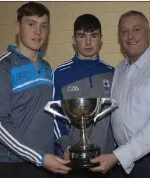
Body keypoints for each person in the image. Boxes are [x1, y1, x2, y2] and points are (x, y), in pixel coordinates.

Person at [0, 2, 71, 178]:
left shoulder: (47, 68)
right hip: (13, 166)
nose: (38, 32)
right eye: (31, 24)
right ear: (18, 27)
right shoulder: (0, 68)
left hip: (46, 164)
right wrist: (39, 158)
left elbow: (52, 114)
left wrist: (65, 144)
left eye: (43, 26)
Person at [90, 10, 150, 178]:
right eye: (124, 31)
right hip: (120, 161)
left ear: (148, 32)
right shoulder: (118, 70)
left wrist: (118, 156)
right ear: (119, 37)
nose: (130, 36)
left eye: (136, 29)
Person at [53, 14, 119, 178]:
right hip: (73, 161)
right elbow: (54, 116)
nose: (88, 42)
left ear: (101, 39)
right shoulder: (61, 73)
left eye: (93, 36)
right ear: (74, 39)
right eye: (82, 36)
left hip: (106, 161)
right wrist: (67, 146)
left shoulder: (112, 73)